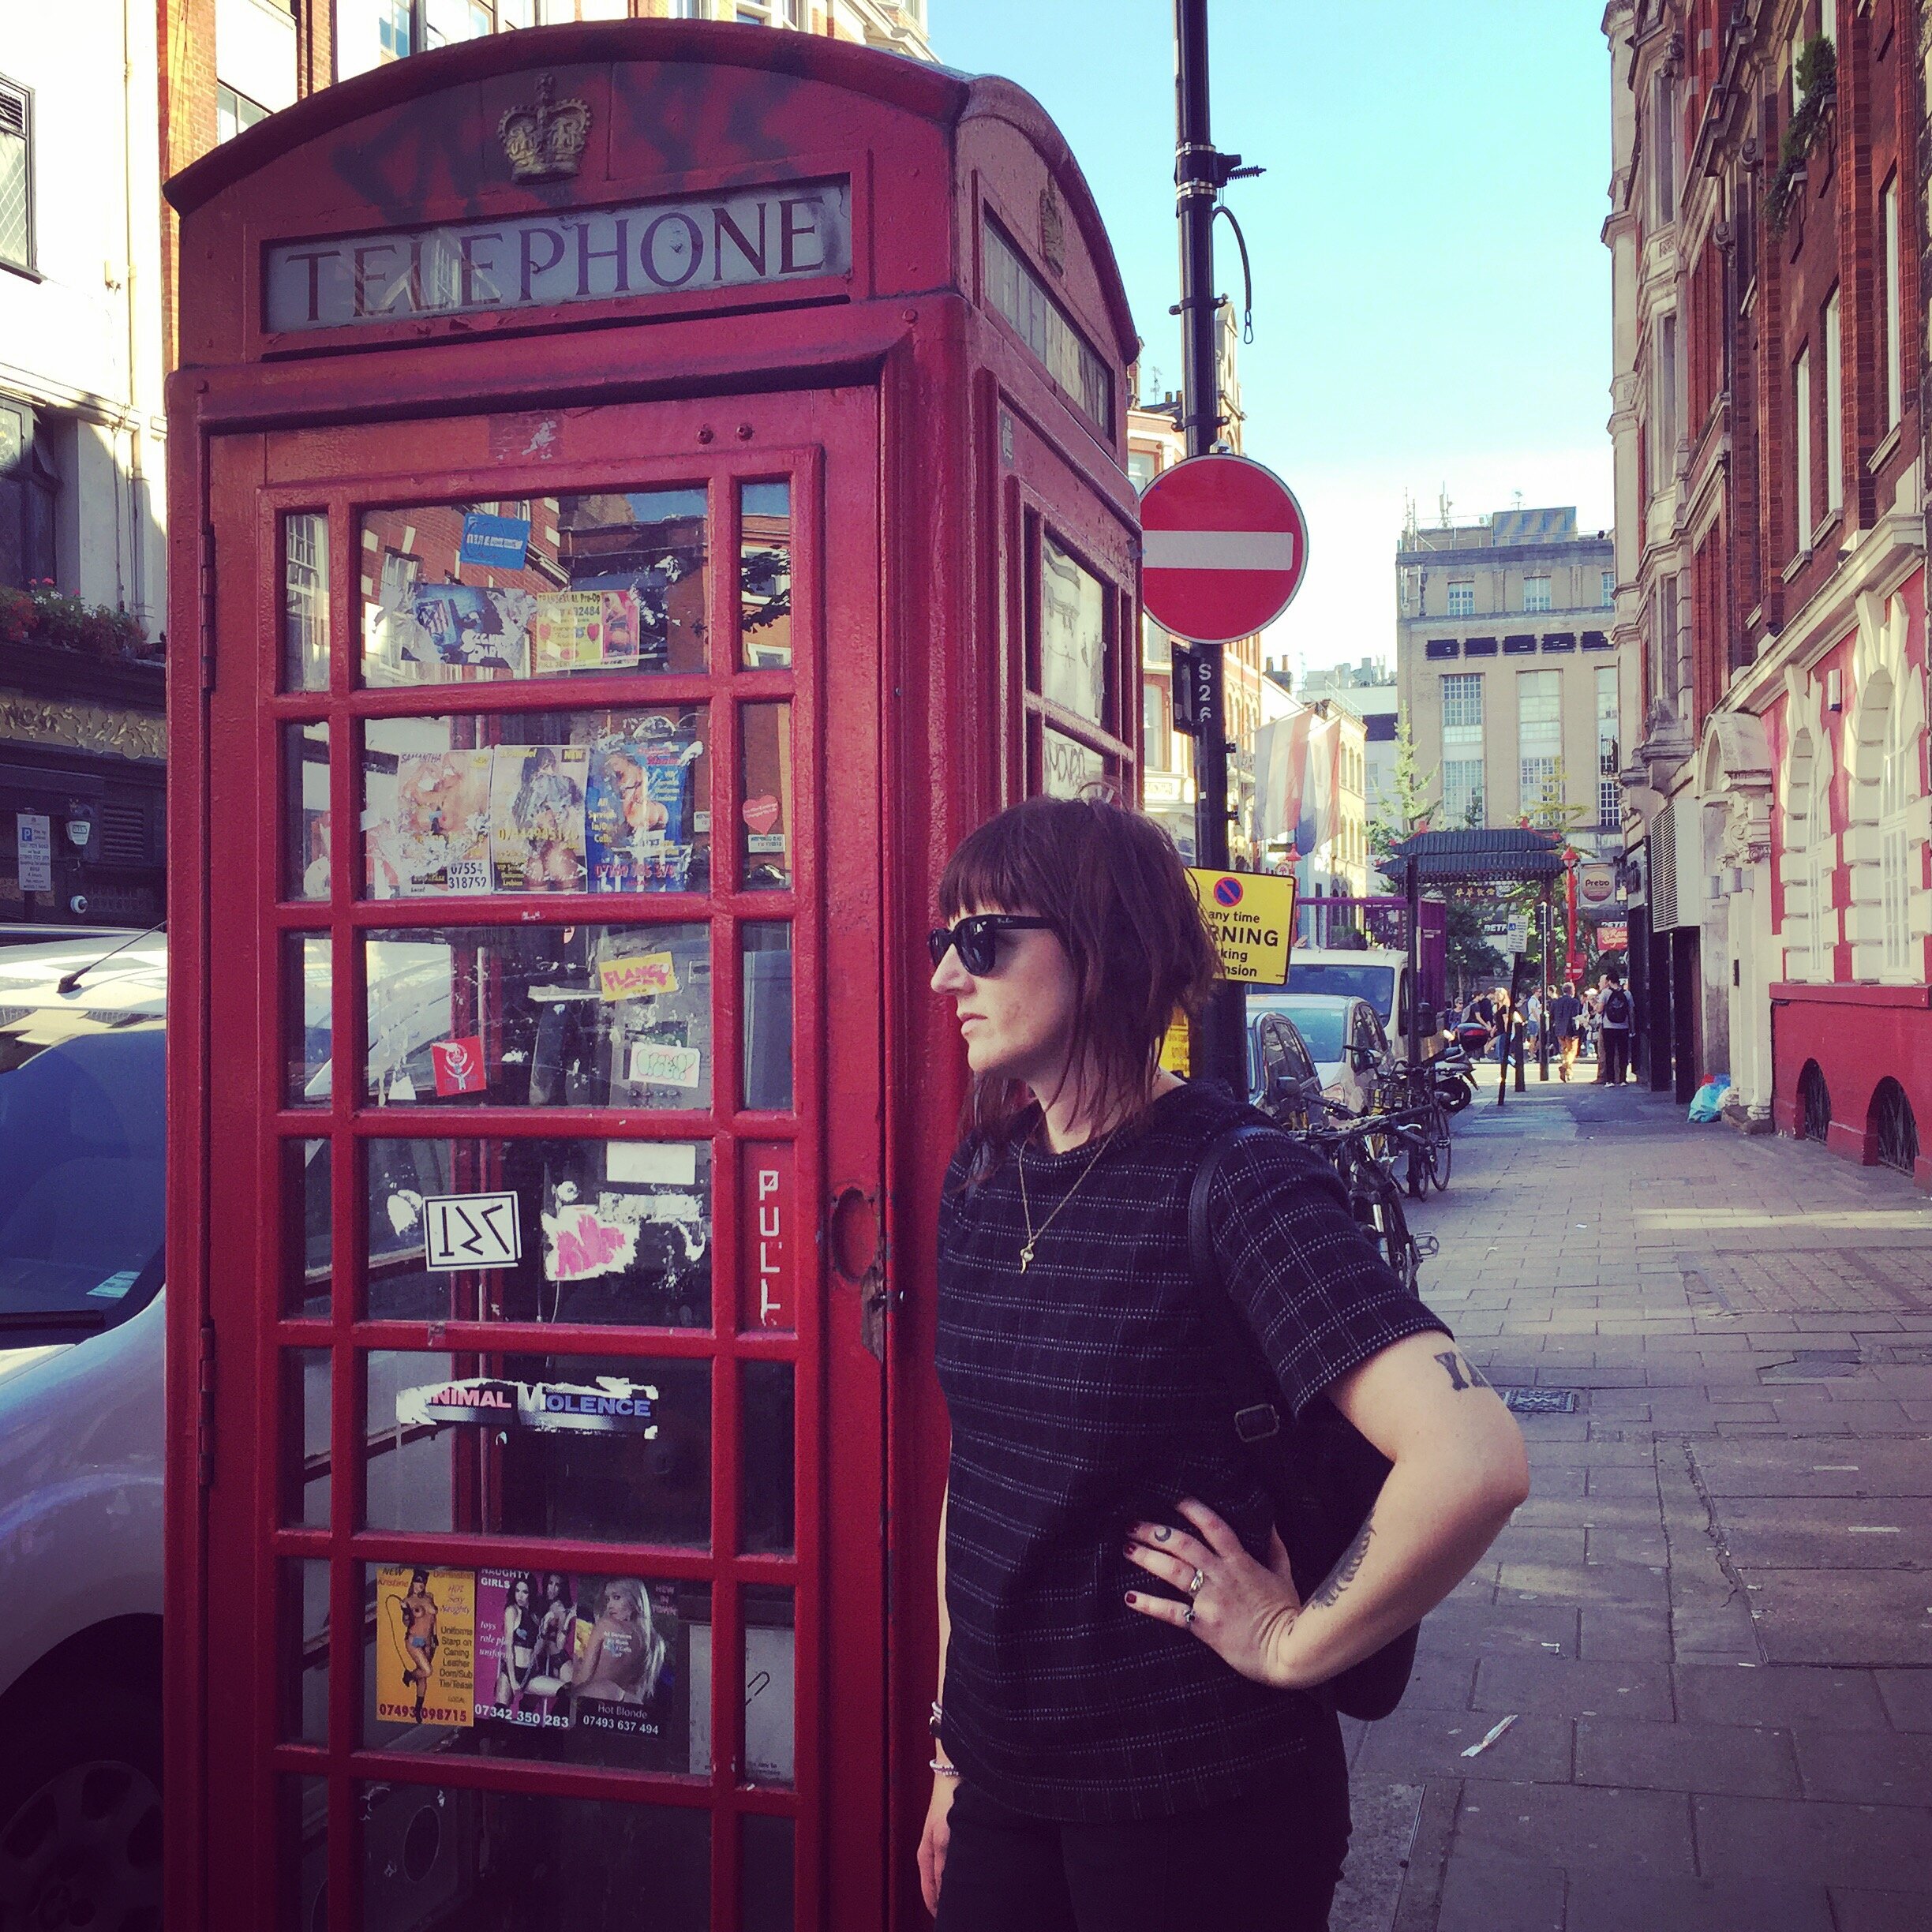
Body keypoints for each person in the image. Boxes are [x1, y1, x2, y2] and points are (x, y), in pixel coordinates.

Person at [919, 794, 1530, 1932]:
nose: (949, 979)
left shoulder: (1236, 1182)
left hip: (1194, 1806)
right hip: (1005, 1789)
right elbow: (986, 1479)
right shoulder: (984, 1177)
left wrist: (1294, 1645)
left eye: (983, 941)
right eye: (942, 944)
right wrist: (953, 1755)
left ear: (1102, 949)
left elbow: (1473, 1454)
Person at [1597, 970, 1634, 1085]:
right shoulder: (1627, 994)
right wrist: (1632, 1028)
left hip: (1609, 1027)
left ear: (1608, 981)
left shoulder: (1605, 993)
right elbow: (1631, 1011)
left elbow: (1599, 1009)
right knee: (1623, 1053)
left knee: (1610, 1053)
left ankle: (1610, 1080)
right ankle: (1623, 1079)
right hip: (1623, 1026)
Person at [1550, 980, 1585, 1083]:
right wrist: (1576, 1030)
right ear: (1572, 991)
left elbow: (1552, 1016)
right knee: (1572, 1051)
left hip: (1559, 1030)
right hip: (1570, 1030)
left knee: (1565, 1051)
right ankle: (1564, 1067)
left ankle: (1569, 1073)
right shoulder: (1574, 1002)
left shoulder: (1556, 1002)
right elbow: (1575, 1017)